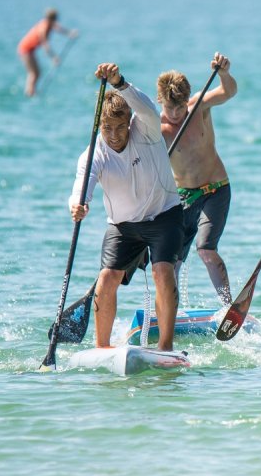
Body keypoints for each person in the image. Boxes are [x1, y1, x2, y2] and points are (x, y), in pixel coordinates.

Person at [69, 63, 184, 351]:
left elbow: (145, 107)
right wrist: (79, 205)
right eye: (108, 128)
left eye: (121, 127)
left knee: (162, 272)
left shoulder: (146, 129)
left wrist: (119, 82)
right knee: (106, 278)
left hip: (164, 216)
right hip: (122, 226)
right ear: (99, 126)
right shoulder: (93, 153)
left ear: (129, 122)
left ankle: (165, 348)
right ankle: (102, 348)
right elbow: (84, 182)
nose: (116, 134)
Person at [158, 53, 237, 306]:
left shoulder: (199, 106)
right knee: (172, 261)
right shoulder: (154, 127)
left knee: (205, 249)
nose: (175, 113)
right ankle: (170, 314)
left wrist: (224, 72)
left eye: (179, 107)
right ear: (160, 101)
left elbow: (228, 92)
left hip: (216, 189)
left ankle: (229, 307)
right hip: (183, 196)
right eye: (169, 107)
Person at [17, 8, 77, 97]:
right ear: (52, 19)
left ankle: (32, 93)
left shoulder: (49, 23)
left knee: (37, 73)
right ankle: (30, 94)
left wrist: (69, 33)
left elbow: (59, 28)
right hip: (25, 50)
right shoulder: (43, 28)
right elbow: (45, 45)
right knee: (34, 73)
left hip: (30, 50)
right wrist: (54, 58)